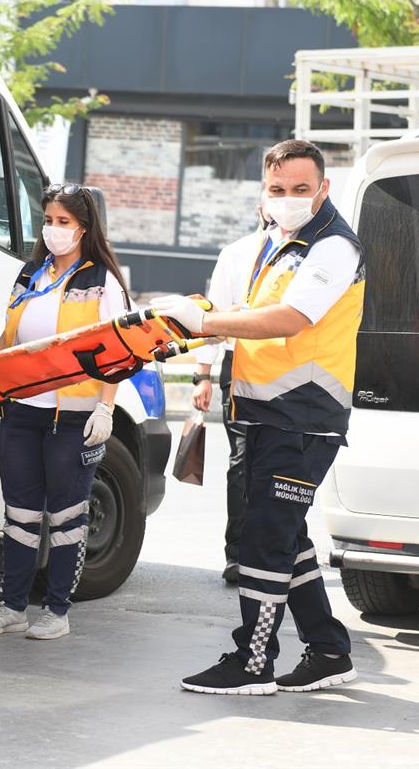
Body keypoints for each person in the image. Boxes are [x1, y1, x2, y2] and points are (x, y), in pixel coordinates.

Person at [152, 140, 365, 694]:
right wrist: (183, 332)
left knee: (265, 541)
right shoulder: (275, 246)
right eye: (277, 190)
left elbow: (291, 320)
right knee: (284, 536)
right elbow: (237, 320)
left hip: (302, 417)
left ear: (324, 188)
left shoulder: (333, 247)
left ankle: (253, 661)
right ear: (263, 191)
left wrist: (203, 324)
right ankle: (328, 651)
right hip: (261, 413)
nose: (288, 199)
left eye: (300, 189)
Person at [0, 184, 131, 641]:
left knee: (65, 518)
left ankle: (57, 611)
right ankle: (12, 607)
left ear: (84, 227)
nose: (54, 230)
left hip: (75, 416)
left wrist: (105, 408)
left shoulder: (103, 281)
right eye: (48, 220)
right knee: (19, 514)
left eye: (63, 222)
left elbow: (118, 351)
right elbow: (9, 340)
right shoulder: (31, 275)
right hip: (23, 412)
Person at [191, 203, 273, 584]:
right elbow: (213, 316)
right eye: (275, 194)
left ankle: (275, 551)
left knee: (281, 464)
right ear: (261, 206)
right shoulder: (236, 254)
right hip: (239, 363)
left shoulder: (313, 258)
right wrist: (202, 376)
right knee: (243, 462)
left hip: (292, 368)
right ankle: (238, 554)